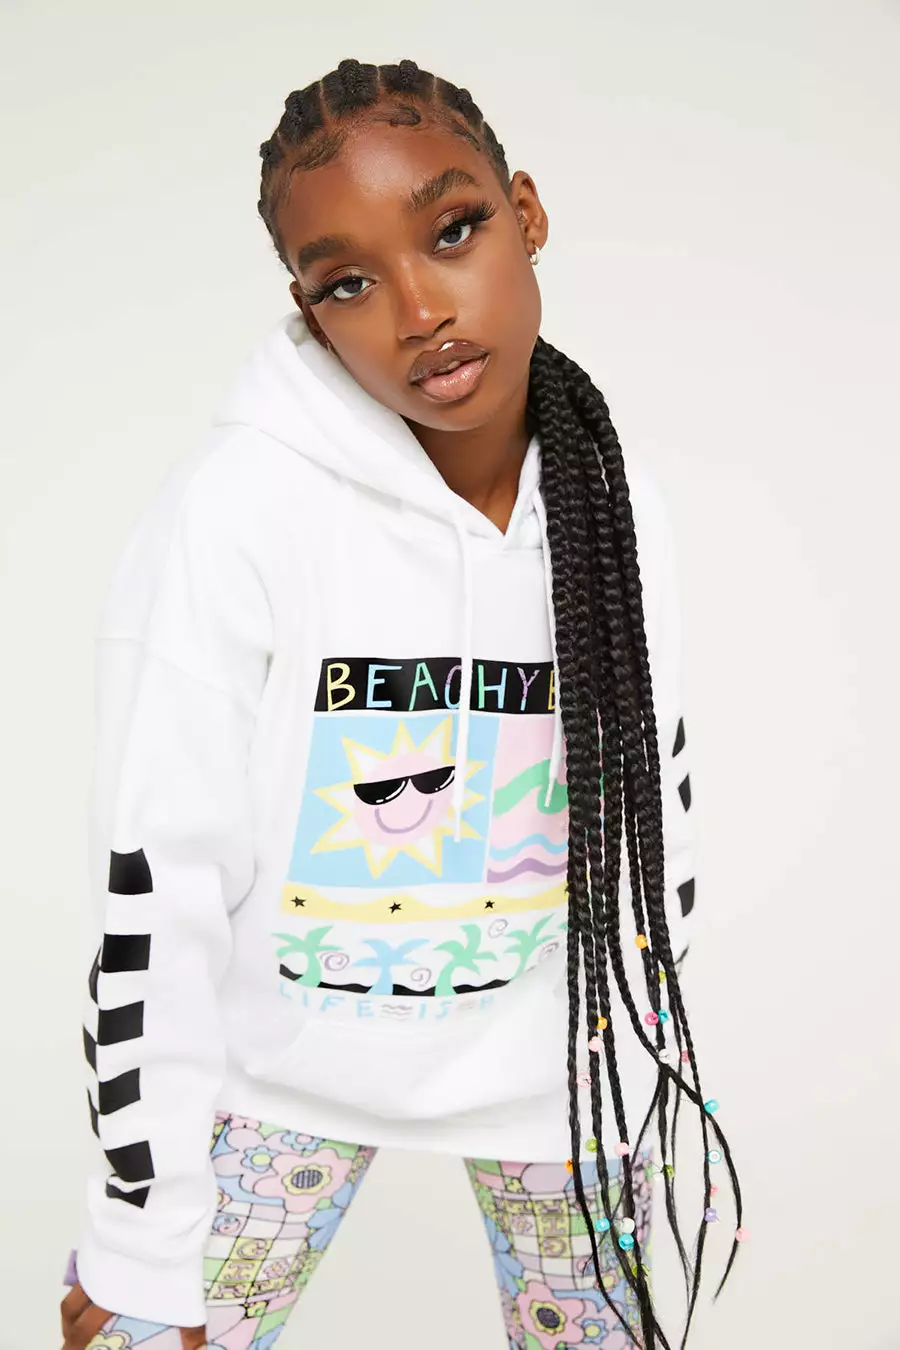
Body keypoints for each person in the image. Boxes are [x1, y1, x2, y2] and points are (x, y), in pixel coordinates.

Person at [60, 57, 743, 1350]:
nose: (421, 308)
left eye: (454, 230)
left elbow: (654, 800)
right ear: (309, 309)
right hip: (279, 1077)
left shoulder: (609, 498)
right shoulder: (239, 509)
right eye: (349, 283)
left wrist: (641, 1073)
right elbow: (159, 877)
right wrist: (143, 1223)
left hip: (563, 1087)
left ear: (526, 212)